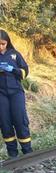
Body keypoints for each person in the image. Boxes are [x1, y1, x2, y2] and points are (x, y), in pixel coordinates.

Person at [0, 30, 32, 159]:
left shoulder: (15, 54)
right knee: (4, 122)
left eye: (3, 44)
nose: (0, 47)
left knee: (20, 120)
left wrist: (12, 69)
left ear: (7, 42)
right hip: (1, 94)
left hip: (16, 93)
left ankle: (27, 152)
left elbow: (25, 72)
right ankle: (12, 154)